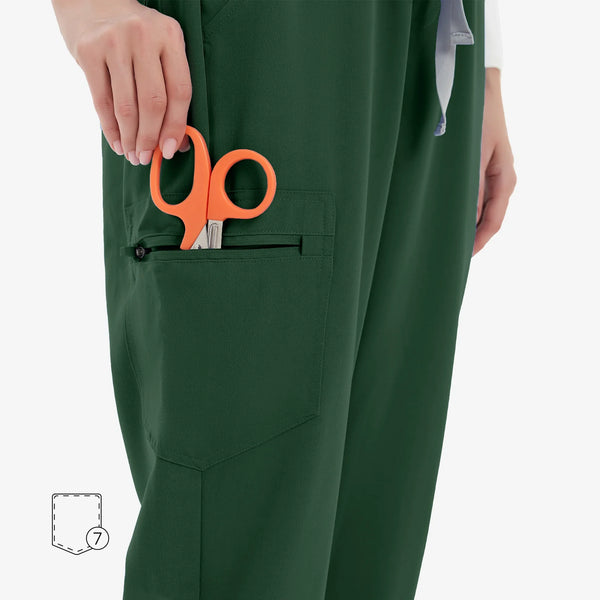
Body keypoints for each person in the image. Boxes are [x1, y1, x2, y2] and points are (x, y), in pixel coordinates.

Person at [52, 1, 516, 599]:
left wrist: (487, 66)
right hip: (263, 35)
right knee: (236, 552)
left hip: (435, 51)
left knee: (371, 554)